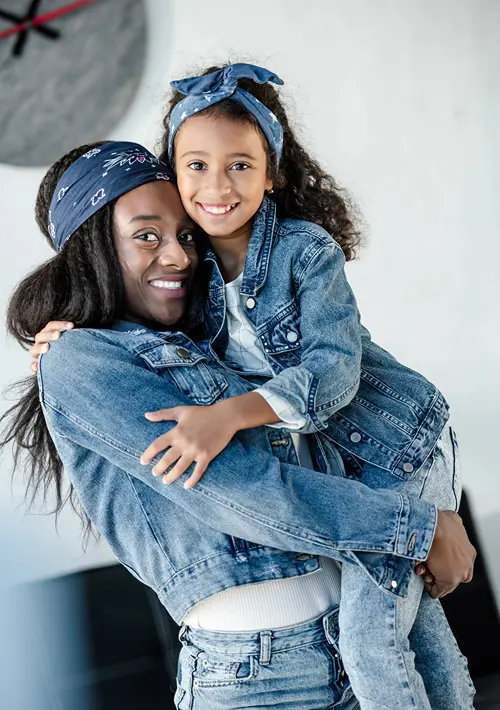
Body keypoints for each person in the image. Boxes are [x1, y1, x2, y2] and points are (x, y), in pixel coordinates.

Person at [10, 141, 475, 710]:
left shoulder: (219, 328)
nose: (178, 257)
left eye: (186, 235)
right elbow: (240, 491)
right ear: (93, 250)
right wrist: (420, 526)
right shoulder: (82, 360)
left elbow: (338, 386)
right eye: (146, 235)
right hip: (261, 678)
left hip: (361, 639)